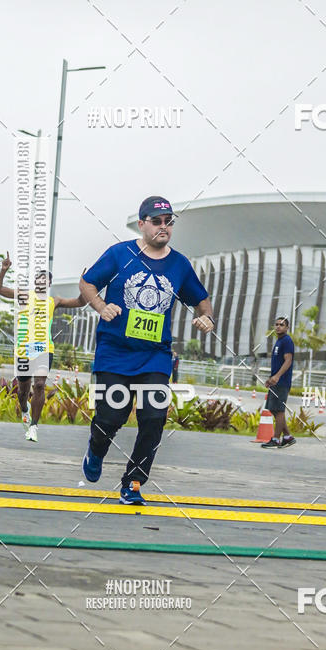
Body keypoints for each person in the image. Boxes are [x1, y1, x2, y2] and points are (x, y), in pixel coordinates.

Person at [80, 196, 214, 506]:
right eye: (157, 221)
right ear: (142, 224)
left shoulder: (179, 264)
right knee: (111, 416)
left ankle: (134, 483)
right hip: (115, 351)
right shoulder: (119, 254)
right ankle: (97, 448)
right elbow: (86, 283)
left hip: (155, 355)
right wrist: (101, 306)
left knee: (154, 419)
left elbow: (201, 300)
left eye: (169, 221)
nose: (164, 227)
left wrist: (206, 317)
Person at [0, 253, 84, 442]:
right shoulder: (24, 295)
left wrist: (84, 283)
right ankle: (24, 409)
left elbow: (80, 302)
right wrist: (3, 270)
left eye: (46, 280)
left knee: (40, 384)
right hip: (24, 348)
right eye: (39, 279)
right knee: (23, 390)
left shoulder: (54, 301)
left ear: (49, 284)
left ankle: (34, 426)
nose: (42, 282)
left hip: (44, 347)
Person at [262, 316, 296, 449]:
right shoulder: (279, 341)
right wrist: (271, 379)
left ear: (287, 327)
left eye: (281, 325)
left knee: (279, 410)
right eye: (276, 324)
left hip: (282, 382)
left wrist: (277, 377)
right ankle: (287, 437)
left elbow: (288, 360)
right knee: (273, 409)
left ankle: (276, 439)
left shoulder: (287, 341)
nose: (278, 327)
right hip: (276, 381)